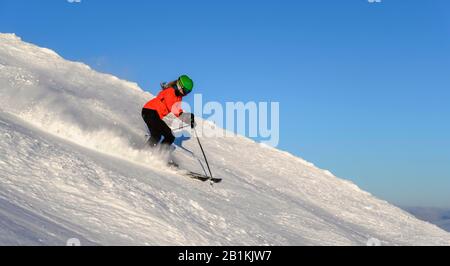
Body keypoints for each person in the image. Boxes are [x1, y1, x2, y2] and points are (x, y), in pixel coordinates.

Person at [142, 75, 195, 150]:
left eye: (188, 92)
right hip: (150, 112)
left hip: (154, 115)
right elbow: (172, 107)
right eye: (185, 91)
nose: (186, 94)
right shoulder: (170, 91)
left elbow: (178, 111)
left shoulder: (179, 97)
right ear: (180, 86)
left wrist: (188, 119)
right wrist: (186, 116)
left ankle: (154, 155)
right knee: (167, 136)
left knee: (159, 136)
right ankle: (153, 154)